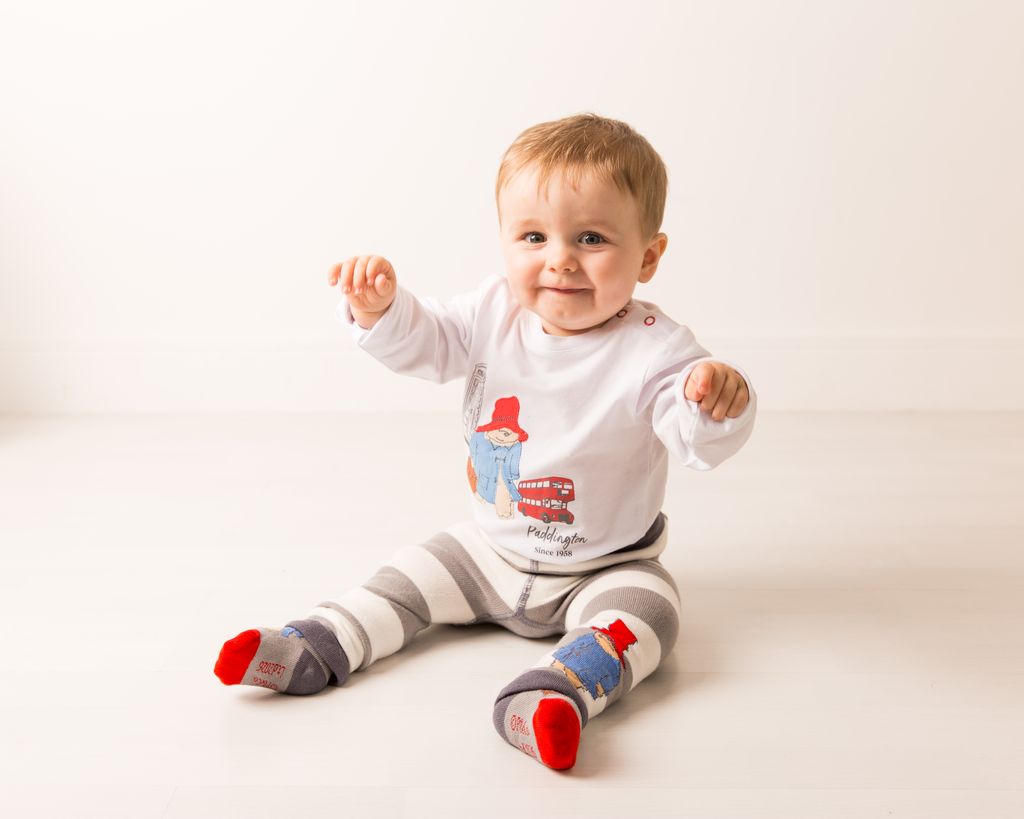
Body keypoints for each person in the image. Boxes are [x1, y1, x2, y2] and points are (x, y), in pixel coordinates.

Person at [214, 113, 757, 770]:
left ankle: (554, 692)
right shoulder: (493, 312)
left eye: (591, 238)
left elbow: (695, 436)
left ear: (647, 255)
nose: (560, 258)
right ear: (504, 240)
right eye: (533, 236)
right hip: (487, 549)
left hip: (605, 564)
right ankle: (315, 643)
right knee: (406, 576)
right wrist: (382, 311)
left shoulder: (656, 350)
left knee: (649, 614)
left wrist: (714, 401)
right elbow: (430, 341)